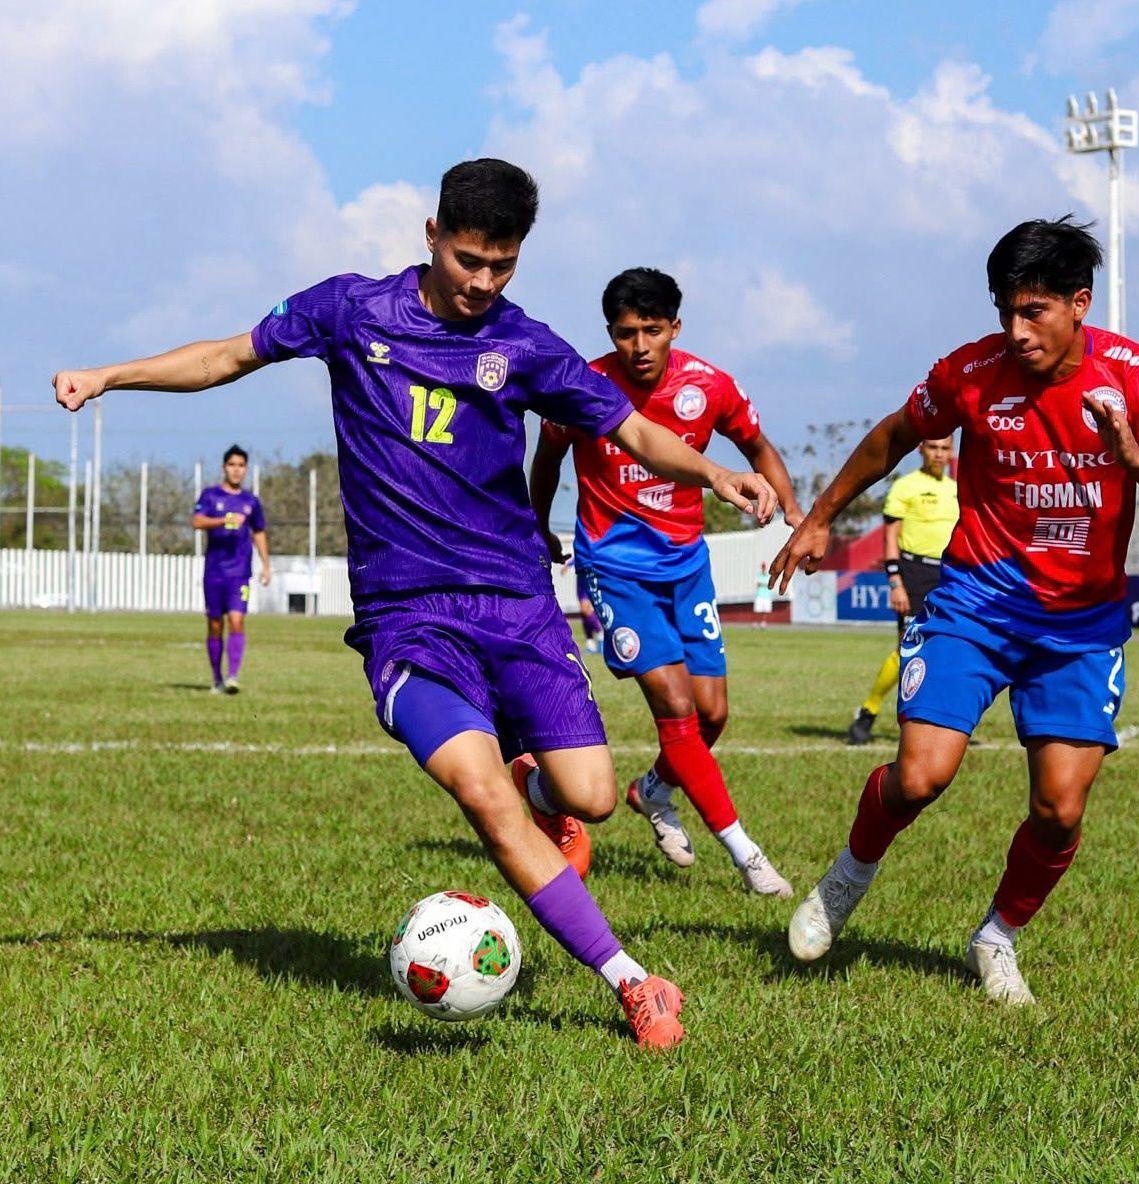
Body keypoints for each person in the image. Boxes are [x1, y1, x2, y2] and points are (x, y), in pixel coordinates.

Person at [53, 158, 777, 1050]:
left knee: (588, 799)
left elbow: (627, 428)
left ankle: (535, 778)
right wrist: (107, 375)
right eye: (469, 259)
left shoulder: (524, 345)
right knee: (478, 790)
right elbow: (225, 356)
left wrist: (711, 473)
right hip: (408, 616)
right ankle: (633, 984)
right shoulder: (350, 311)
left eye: (501, 265)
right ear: (431, 237)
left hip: (516, 601)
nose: (482, 282)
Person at [771, 216, 1139, 1005]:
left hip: (1079, 627)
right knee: (918, 776)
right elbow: (892, 436)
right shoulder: (970, 372)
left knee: (1059, 808)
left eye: (1033, 311)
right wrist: (819, 517)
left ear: (1078, 303)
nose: (1014, 330)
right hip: (975, 603)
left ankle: (996, 936)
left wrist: (1135, 460)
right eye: (1003, 309)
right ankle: (845, 880)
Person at [530, 267, 802, 895]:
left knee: (712, 716)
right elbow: (546, 459)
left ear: (675, 328)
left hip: (686, 565)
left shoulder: (709, 385)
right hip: (614, 570)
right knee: (675, 706)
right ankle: (746, 853)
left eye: (653, 330)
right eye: (627, 333)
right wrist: (538, 525)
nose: (640, 345)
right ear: (610, 334)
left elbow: (757, 446)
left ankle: (651, 790)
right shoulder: (585, 386)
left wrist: (792, 511)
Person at [845, 436, 957, 744]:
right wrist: (895, 582)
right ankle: (868, 713)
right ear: (920, 448)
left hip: (950, 574)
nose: (938, 454)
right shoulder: (904, 486)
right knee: (906, 651)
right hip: (914, 573)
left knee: (950, 651)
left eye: (945, 448)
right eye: (933, 447)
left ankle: (941, 725)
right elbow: (890, 538)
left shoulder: (956, 490)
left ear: (952, 452)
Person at [192, 444, 270, 693]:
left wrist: (266, 564)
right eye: (232, 465)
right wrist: (222, 520)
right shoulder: (210, 496)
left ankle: (233, 677)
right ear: (224, 467)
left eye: (241, 466)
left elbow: (259, 532)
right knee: (215, 624)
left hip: (240, 574)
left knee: (237, 620)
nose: (236, 470)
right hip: (214, 572)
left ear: (245, 469)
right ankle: (217, 679)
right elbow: (196, 521)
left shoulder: (251, 501)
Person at [752, 563, 775, 627]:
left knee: (765, 610)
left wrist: (763, 584)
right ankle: (756, 622)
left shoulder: (768, 576)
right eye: (762, 567)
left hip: (767, 595)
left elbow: (770, 584)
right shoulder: (758, 575)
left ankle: (763, 622)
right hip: (759, 595)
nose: (763, 568)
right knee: (757, 610)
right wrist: (764, 584)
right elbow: (758, 584)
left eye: (764, 567)